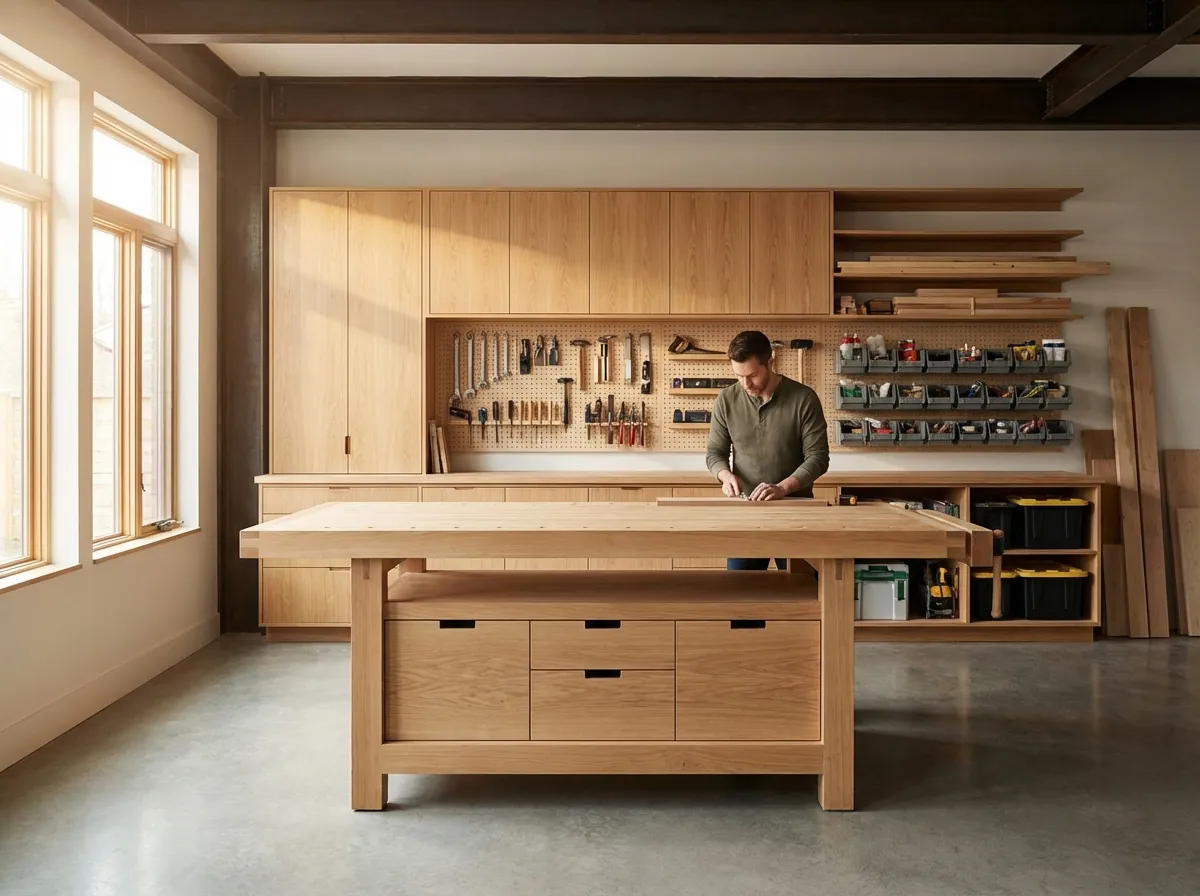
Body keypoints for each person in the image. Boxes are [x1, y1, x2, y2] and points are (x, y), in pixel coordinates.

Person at [705, 330, 830, 571]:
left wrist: (783, 488)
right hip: (746, 513)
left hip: (796, 513)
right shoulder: (726, 400)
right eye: (738, 376)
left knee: (802, 593)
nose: (745, 384)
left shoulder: (804, 398)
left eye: (752, 375)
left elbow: (818, 458)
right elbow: (714, 453)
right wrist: (725, 475)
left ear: (770, 362)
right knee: (741, 595)